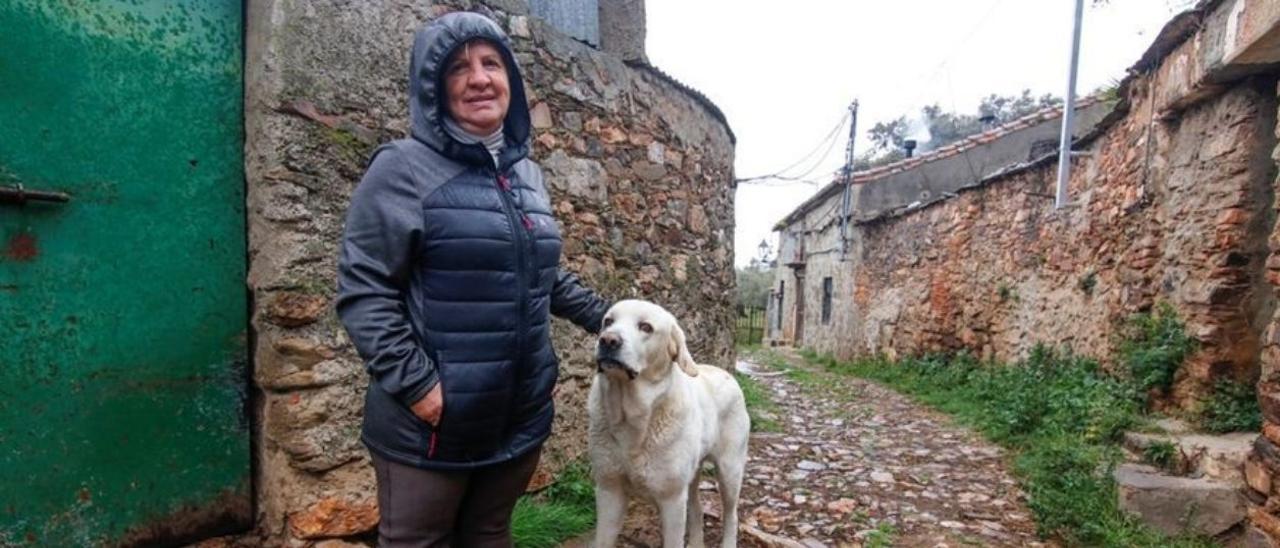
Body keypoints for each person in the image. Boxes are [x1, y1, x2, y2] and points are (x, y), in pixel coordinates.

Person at [336, 11, 609, 547]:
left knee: (489, 535)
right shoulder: (402, 169)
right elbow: (365, 290)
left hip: (519, 417)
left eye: (491, 63)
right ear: (434, 88)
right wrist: (418, 386)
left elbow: (541, 275)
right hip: (431, 428)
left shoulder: (525, 174)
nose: (479, 78)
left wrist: (617, 317)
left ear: (512, 78)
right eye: (458, 68)